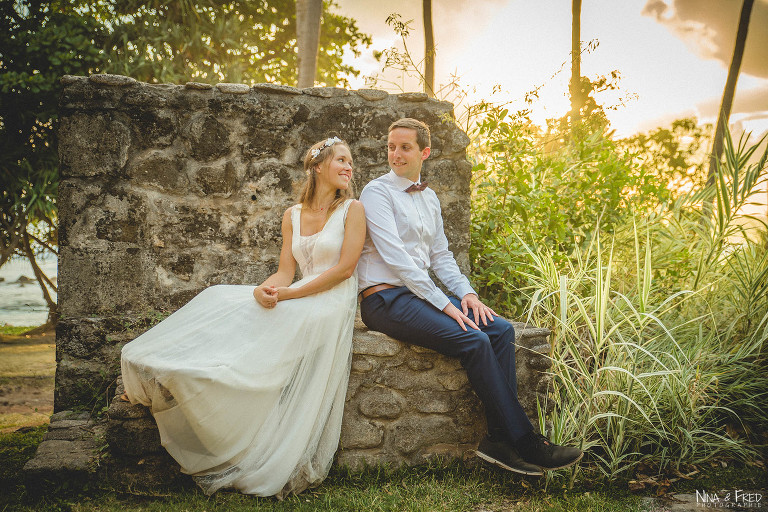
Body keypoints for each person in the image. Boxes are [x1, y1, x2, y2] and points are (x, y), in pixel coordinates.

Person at [120, 136, 366, 497]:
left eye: (350, 161)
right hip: (296, 294)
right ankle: (186, 368)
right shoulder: (292, 215)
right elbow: (285, 272)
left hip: (331, 303)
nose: (349, 167)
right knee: (220, 296)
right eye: (341, 160)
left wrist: (289, 294)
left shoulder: (352, 210)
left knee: (273, 324)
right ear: (317, 167)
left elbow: (345, 270)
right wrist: (263, 290)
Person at [357, 118, 583, 475]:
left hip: (415, 296)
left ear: (424, 152)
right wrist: (446, 304)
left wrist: (468, 295)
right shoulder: (376, 193)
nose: (395, 154)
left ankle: (496, 440)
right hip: (384, 300)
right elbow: (398, 261)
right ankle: (526, 442)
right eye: (390, 146)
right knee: (474, 340)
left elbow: (441, 257)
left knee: (501, 330)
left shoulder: (429, 197)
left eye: (404, 147)